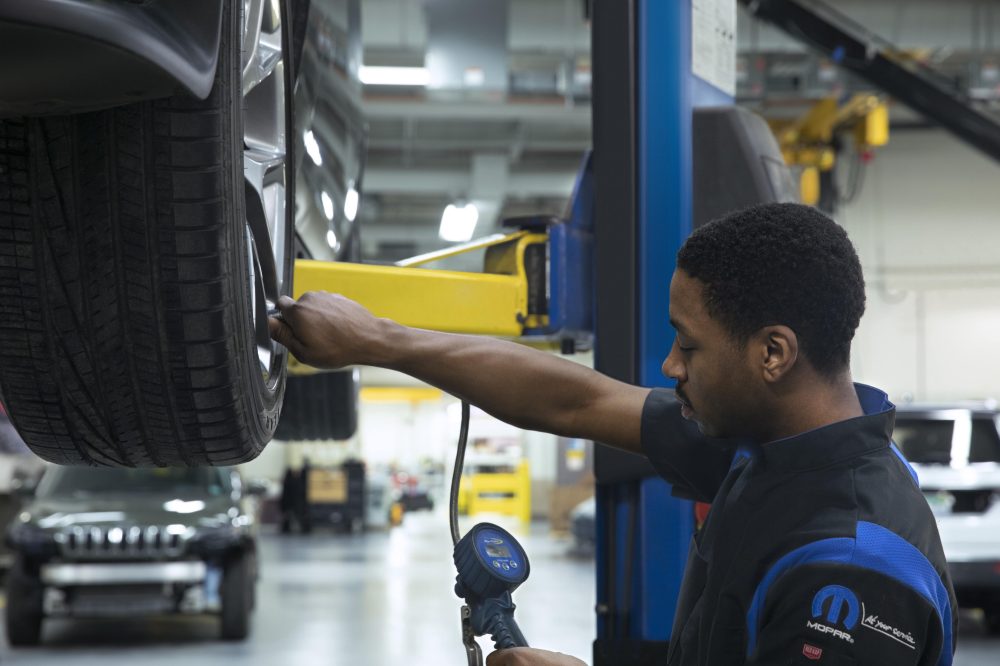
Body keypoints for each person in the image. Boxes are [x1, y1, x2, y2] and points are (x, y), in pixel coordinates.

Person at [268, 203, 957, 666]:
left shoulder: (852, 573)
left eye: (689, 346)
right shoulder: (769, 450)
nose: (670, 366)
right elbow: (574, 401)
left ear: (772, 354)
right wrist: (377, 340)